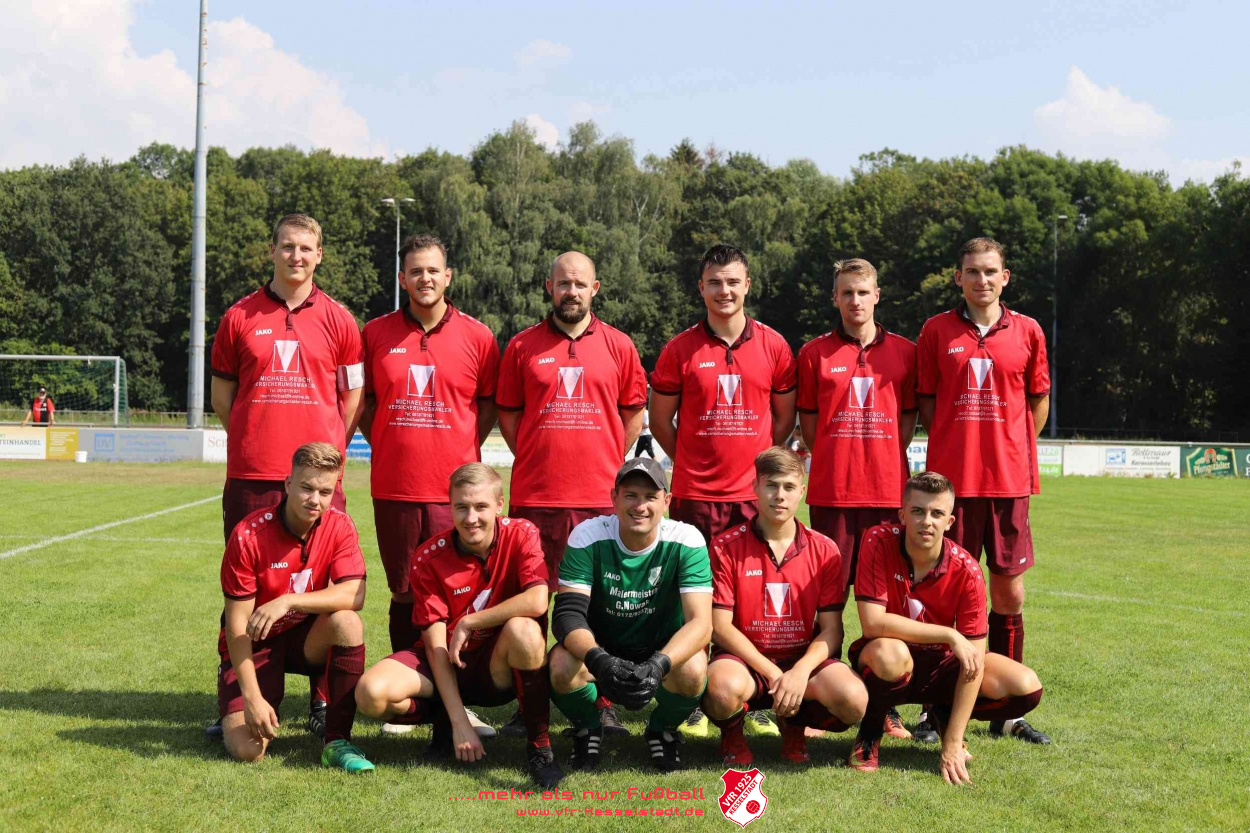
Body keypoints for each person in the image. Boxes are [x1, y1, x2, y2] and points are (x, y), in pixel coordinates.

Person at [208, 213, 365, 740]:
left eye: (306, 248)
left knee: (323, 587)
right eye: (287, 246)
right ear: (271, 250)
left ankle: (322, 698)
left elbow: (353, 396)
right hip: (252, 475)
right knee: (243, 587)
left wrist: (328, 454)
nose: (296, 256)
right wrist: (253, 438)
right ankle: (234, 694)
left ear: (320, 255)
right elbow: (223, 396)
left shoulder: (340, 321)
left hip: (319, 478)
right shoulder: (238, 316)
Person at [495, 251, 648, 738]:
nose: (572, 291)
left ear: (595, 289)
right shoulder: (522, 346)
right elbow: (509, 415)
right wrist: (538, 454)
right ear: (549, 287)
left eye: (580, 284)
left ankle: (602, 702)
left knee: (599, 604)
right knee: (531, 604)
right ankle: (530, 703)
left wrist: (606, 458)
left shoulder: (620, 346)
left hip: (598, 499)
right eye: (563, 283)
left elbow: (633, 414)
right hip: (536, 497)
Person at [650, 243, 796, 739]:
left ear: (747, 285)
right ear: (701, 288)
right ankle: (690, 695)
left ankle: (749, 696)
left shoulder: (774, 346)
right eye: (714, 282)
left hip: (750, 499)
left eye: (733, 281)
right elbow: (660, 420)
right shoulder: (680, 349)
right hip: (695, 496)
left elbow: (782, 421)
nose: (724, 290)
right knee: (690, 599)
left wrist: (756, 470)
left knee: (749, 601)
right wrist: (692, 460)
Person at [359, 233, 500, 738]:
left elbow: (486, 407)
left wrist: (457, 447)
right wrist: (390, 440)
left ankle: (459, 703)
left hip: (455, 496)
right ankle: (412, 697)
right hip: (395, 488)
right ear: (402, 278)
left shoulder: (479, 337)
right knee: (404, 593)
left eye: (433, 270)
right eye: (415, 271)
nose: (425, 278)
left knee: (459, 600)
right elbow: (364, 403)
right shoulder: (374, 333)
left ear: (448, 277)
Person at [915, 237, 1052, 745]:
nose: (981, 279)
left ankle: (1006, 712)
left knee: (1009, 592)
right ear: (958, 277)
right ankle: (933, 708)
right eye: (972, 271)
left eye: (990, 271)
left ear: (1005, 276)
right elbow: (928, 405)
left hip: (1008, 484)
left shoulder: (1029, 330)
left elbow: (1036, 403)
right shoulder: (936, 330)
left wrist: (1009, 449)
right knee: (942, 597)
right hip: (951, 488)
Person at [354, 463, 563, 789]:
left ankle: (540, 748)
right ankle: (445, 723)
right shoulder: (429, 557)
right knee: (370, 694)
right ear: (450, 507)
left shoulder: (522, 534)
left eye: (481, 506)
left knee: (524, 631)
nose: (471, 518)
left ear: (499, 504)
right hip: (446, 662)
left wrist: (471, 621)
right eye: (461, 507)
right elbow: (436, 648)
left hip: (496, 668)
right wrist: (459, 722)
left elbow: (537, 600)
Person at [846, 471, 1045, 783]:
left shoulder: (967, 569)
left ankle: (944, 716)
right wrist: (949, 634)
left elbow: (974, 662)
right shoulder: (877, 540)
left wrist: (953, 741)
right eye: (918, 511)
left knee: (1025, 685)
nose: (927, 521)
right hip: (889, 659)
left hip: (940, 666)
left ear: (949, 522)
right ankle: (870, 734)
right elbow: (873, 623)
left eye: (937, 513)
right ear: (902, 515)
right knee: (890, 653)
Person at [796, 257, 917, 740]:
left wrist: (880, 459)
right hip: (833, 495)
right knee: (826, 603)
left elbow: (906, 423)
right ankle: (817, 700)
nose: (855, 301)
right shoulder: (814, 353)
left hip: (888, 496)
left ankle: (886, 707)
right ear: (835, 298)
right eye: (846, 292)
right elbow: (809, 426)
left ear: (877, 295)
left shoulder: (906, 353)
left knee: (886, 608)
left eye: (863, 292)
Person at [702, 448, 867, 767]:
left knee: (853, 700)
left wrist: (800, 672)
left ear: (801, 492)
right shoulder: (725, 546)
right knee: (721, 689)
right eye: (771, 485)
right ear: (755, 487)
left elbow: (832, 629)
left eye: (789, 487)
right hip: (744, 662)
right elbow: (719, 627)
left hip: (801, 659)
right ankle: (732, 735)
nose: (780, 495)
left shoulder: (825, 550)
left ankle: (794, 724)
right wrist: (774, 673)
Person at [216, 442, 373, 773]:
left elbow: (355, 595)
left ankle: (337, 739)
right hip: (256, 642)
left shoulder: (339, 525)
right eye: (306, 488)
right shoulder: (248, 535)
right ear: (288, 484)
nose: (315, 500)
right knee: (248, 750)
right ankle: (240, 700)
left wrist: (288, 600)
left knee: (347, 622)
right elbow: (237, 627)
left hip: (305, 638)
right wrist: (251, 698)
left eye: (325, 492)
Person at [548, 457, 713, 772]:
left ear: (666, 501)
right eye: (631, 496)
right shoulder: (587, 535)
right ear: (614, 498)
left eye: (650, 497)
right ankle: (588, 727)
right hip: (601, 645)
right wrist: (600, 660)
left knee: (693, 669)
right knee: (560, 665)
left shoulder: (686, 539)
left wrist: (659, 664)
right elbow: (568, 616)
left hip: (661, 645)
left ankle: (662, 730)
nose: (640, 506)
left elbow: (701, 624)